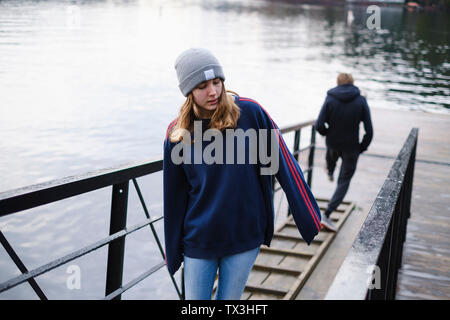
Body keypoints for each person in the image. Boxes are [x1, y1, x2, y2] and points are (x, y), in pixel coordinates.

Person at [163, 48, 322, 300]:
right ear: (188, 91)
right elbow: (174, 197)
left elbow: (283, 164)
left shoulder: (250, 113)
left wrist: (308, 215)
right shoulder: (178, 133)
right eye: (202, 86)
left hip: (244, 234)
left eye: (217, 82)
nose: (213, 92)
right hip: (199, 238)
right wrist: (172, 251)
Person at [315, 73, 373, 232]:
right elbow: (369, 130)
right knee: (344, 181)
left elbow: (319, 124)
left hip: (333, 143)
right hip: (351, 147)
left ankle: (330, 170)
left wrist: (327, 133)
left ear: (338, 83)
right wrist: (362, 147)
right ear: (352, 83)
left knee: (331, 158)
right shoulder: (361, 100)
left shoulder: (330, 98)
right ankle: (327, 213)